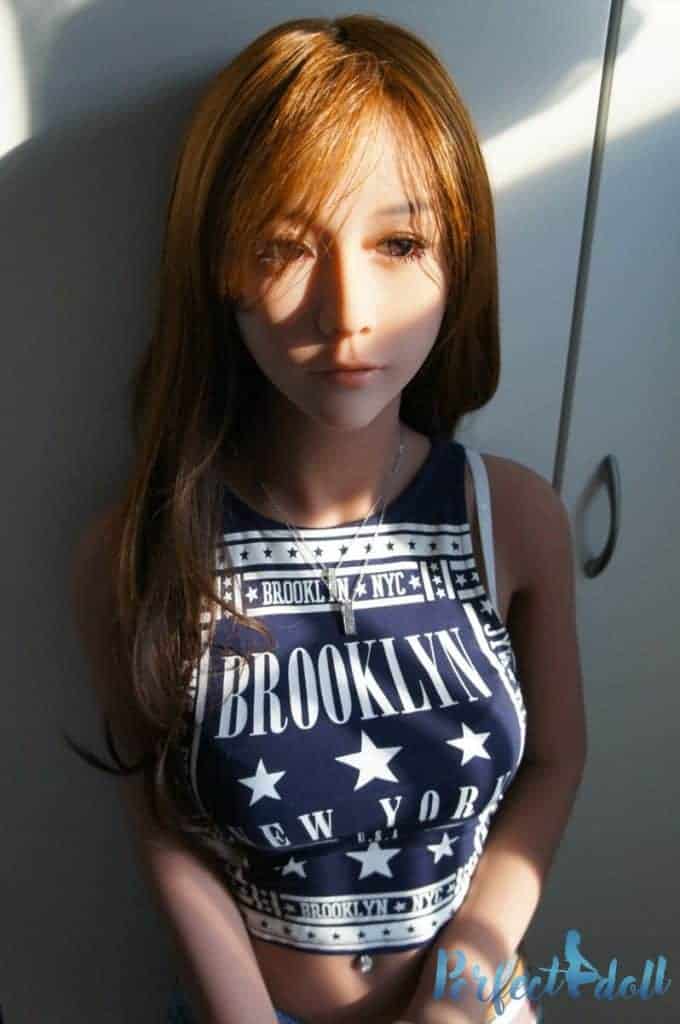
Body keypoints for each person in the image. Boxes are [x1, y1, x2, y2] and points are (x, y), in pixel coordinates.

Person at [67, 13, 587, 1024]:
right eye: (285, 246)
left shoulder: (513, 517)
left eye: (399, 242)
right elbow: (162, 825)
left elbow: (554, 763)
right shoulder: (138, 554)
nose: (347, 310)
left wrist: (459, 988)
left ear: (459, 258)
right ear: (219, 267)